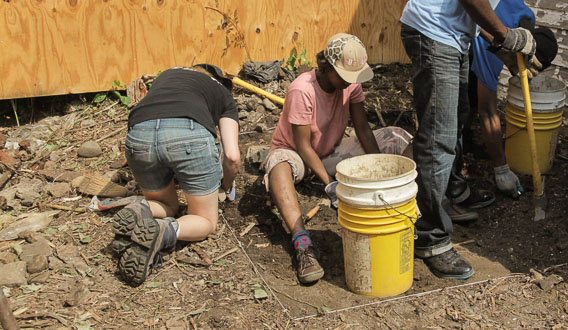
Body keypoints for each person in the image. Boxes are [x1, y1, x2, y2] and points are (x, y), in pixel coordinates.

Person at [400, 0, 540, 279]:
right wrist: (506, 35)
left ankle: (455, 192)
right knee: (438, 137)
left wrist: (501, 45)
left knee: (457, 118)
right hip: (434, 32)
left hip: (453, 36)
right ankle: (430, 237)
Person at [263, 33, 413, 284]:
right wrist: (330, 185)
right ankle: (303, 244)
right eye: (344, 76)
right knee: (278, 165)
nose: (349, 82)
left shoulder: (351, 83)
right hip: (297, 156)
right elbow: (303, 146)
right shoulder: (303, 90)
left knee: (396, 136)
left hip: (331, 152)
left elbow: (363, 129)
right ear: (327, 67)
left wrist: (380, 168)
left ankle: (411, 204)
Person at [111, 64, 241, 286]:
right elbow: (232, 156)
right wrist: (226, 185)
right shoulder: (222, 93)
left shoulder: (167, 76)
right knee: (205, 221)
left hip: (139, 135)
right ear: (220, 82)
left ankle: (138, 209)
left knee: (164, 204)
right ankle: (165, 230)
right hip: (189, 137)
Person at [467, 0, 558, 199]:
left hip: (473, 19)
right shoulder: (496, 44)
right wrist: (501, 168)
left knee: (471, 89)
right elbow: (488, 110)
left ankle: (465, 139)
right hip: (439, 28)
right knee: (461, 102)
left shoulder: (527, 19)